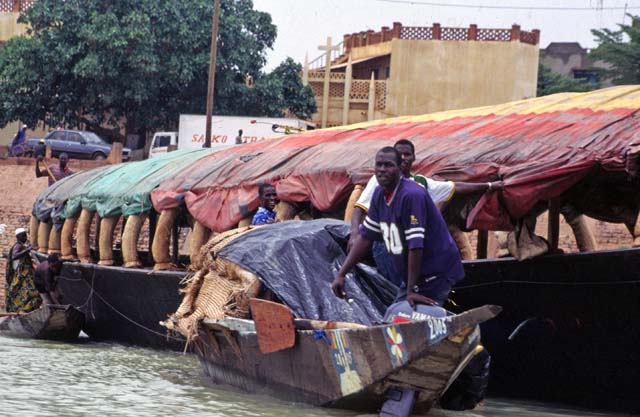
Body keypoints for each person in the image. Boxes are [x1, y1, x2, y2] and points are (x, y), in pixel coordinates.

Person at [332, 147, 464, 308]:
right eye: (379, 165)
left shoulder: (412, 195)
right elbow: (366, 237)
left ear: (400, 168)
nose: (382, 169)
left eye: (388, 165)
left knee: (415, 317)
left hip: (435, 271)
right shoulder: (379, 194)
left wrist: (411, 290)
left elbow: (416, 246)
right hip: (413, 275)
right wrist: (342, 274)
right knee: (398, 313)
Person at [4, 228, 41, 312]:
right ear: (18, 237)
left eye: (25, 235)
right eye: (23, 236)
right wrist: (27, 249)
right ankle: (24, 309)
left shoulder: (21, 245)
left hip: (24, 274)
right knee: (32, 292)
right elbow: (14, 256)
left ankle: (23, 309)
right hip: (22, 274)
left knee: (25, 292)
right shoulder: (18, 246)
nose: (25, 237)